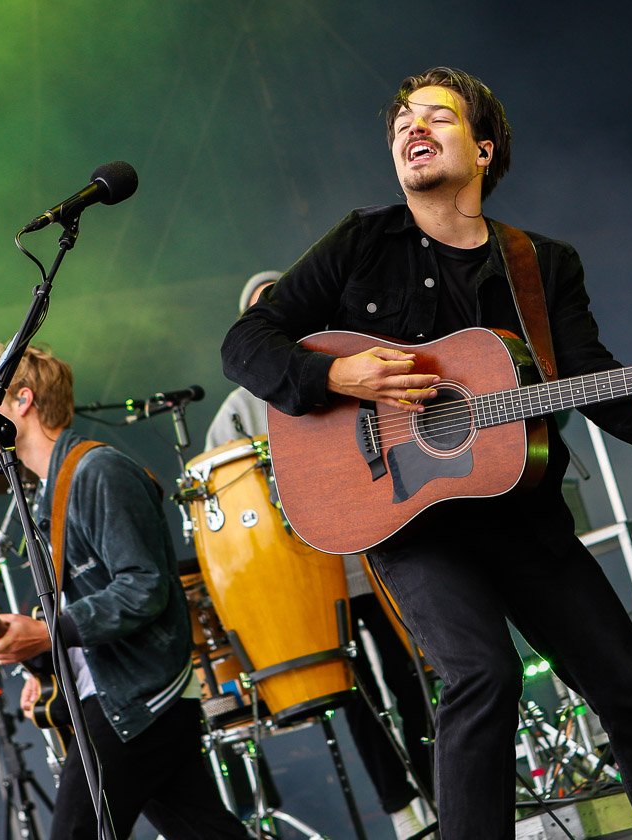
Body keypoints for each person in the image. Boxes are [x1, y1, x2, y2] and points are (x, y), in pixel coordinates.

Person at [220, 67, 632, 839]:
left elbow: (584, 376)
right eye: (401, 121)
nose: (411, 128)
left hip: (523, 513)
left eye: (436, 118)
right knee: (484, 674)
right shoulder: (360, 242)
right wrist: (335, 373)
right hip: (407, 518)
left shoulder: (540, 265)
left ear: (484, 150)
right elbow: (245, 343)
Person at [0, 343, 249, 840]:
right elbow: (86, 602)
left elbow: (144, 588)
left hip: (138, 699)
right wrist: (46, 666)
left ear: (22, 401)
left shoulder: (98, 472)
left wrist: (49, 633)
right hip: (133, 698)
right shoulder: (53, 492)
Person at [207, 272, 435, 839]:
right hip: (307, 575)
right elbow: (221, 492)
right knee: (353, 696)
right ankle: (402, 809)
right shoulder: (237, 411)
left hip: (373, 556)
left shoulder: (348, 366)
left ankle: (442, 793)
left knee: (412, 679)